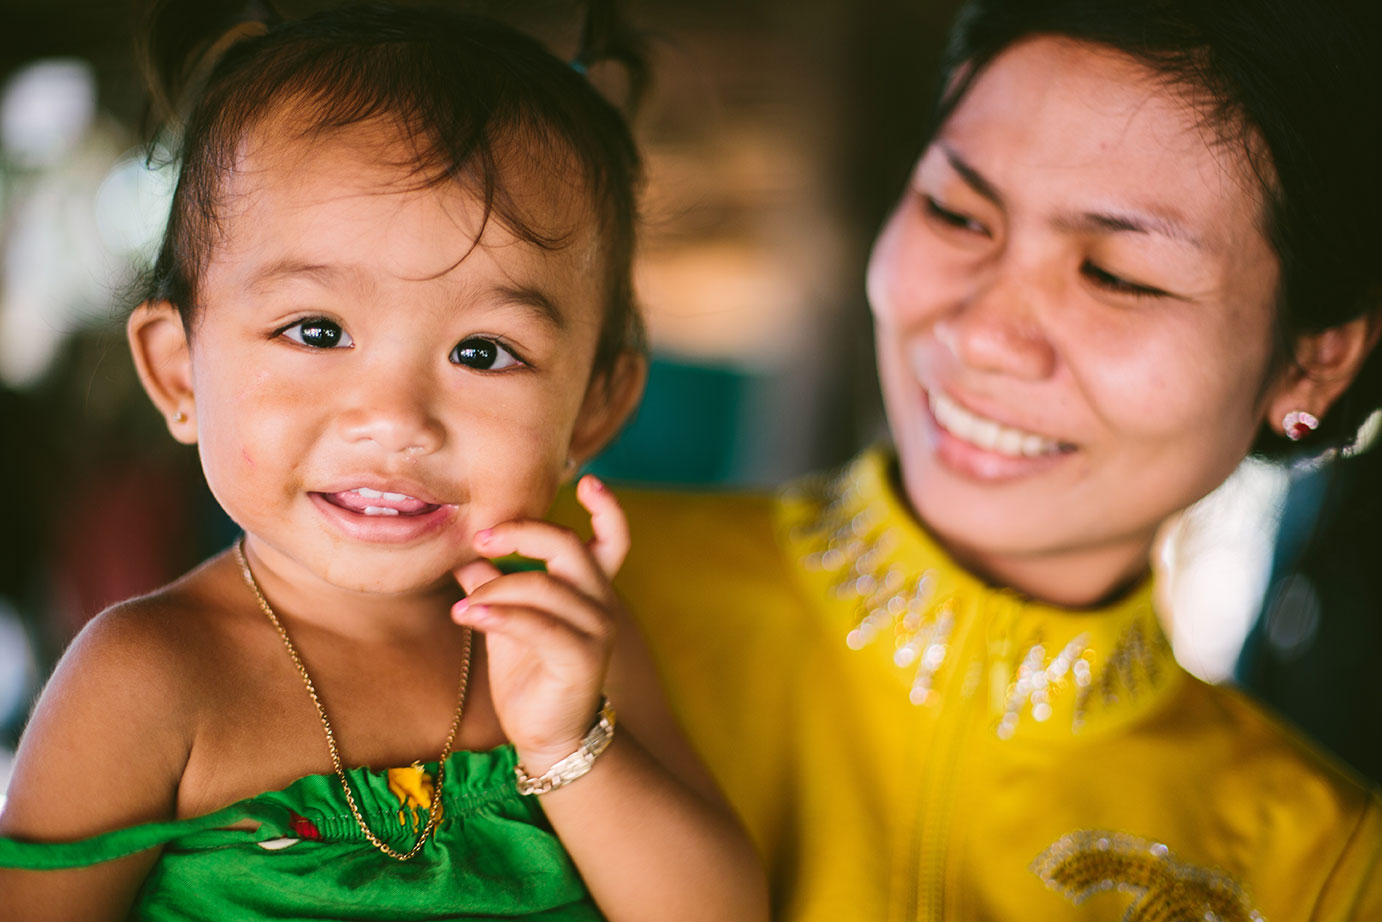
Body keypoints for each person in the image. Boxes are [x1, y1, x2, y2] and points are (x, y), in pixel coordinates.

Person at [589, 0, 1382, 919]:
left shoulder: (1329, 872)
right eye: (957, 213)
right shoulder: (523, 586)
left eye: (1118, 274)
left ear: (1314, 359)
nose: (984, 335)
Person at [0, 3, 769, 921]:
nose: (396, 421)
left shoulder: (565, 640)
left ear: (596, 405)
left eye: (483, 352)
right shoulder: (146, 679)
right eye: (316, 331)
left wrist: (567, 745)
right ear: (179, 373)